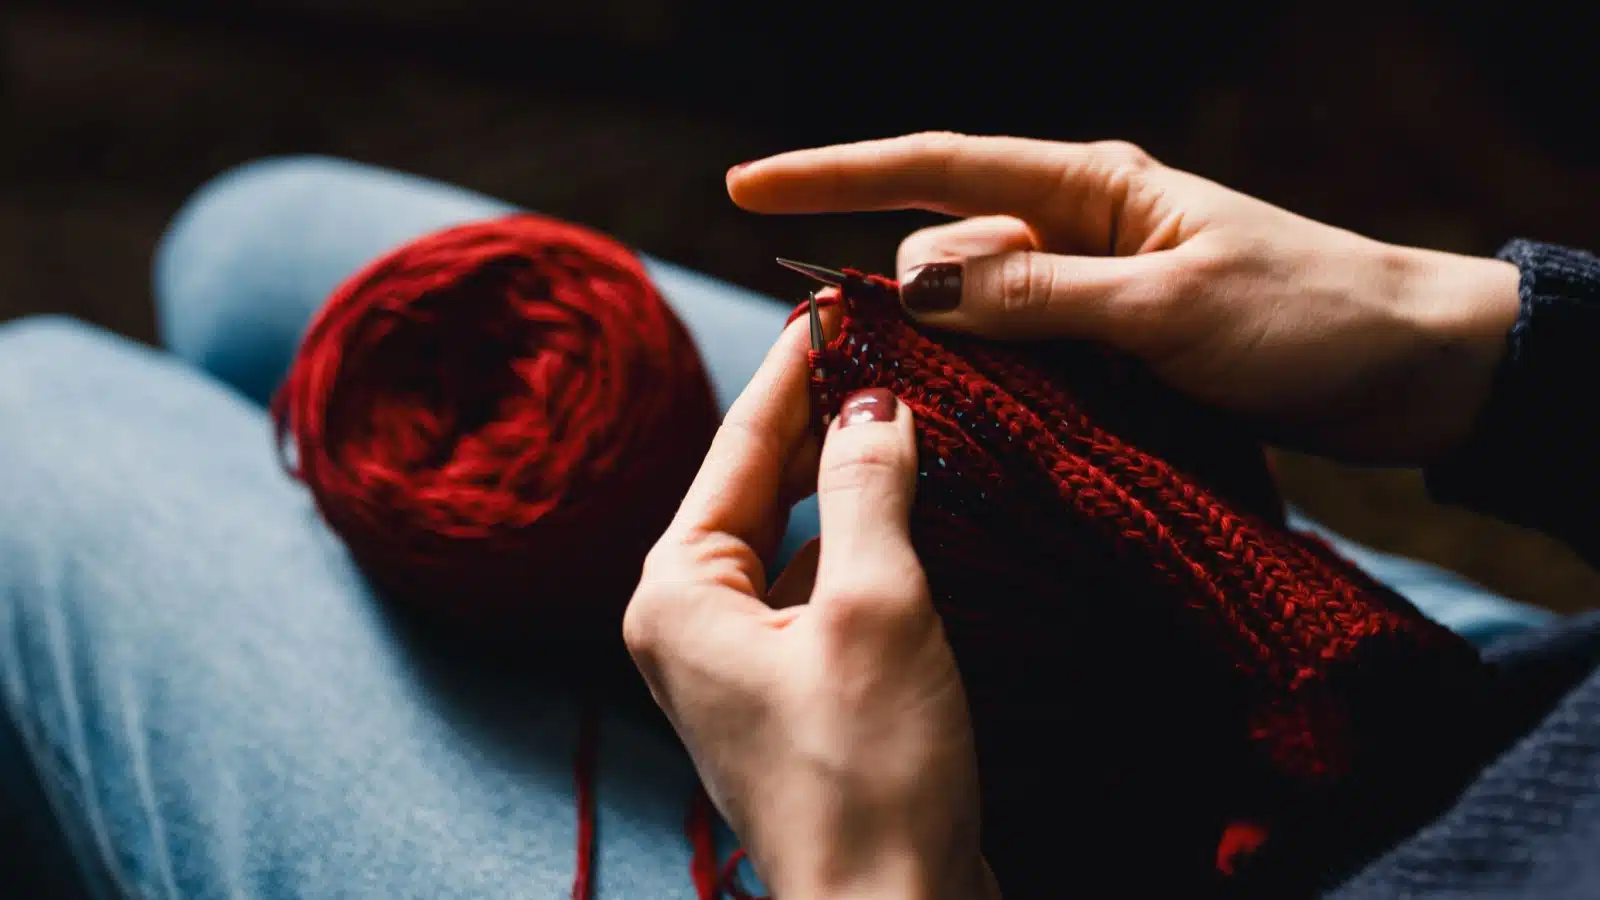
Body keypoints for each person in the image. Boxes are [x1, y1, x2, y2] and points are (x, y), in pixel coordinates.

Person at [0, 132, 1588, 900]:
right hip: (1487, 708)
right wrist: (1485, 347)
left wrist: (871, 872)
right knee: (249, 240)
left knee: (37, 399)